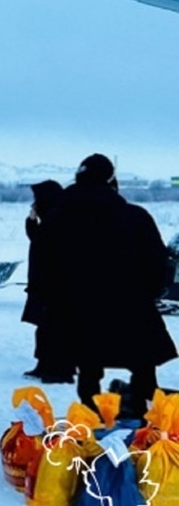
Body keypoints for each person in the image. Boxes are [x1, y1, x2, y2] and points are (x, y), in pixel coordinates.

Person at [47, 153, 176, 422]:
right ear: (111, 180)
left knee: (88, 368)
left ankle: (91, 420)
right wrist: (149, 293)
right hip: (131, 307)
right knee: (143, 365)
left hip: (77, 310)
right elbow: (157, 263)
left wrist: (55, 303)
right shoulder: (135, 217)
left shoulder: (58, 219)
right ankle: (142, 421)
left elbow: (44, 266)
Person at [21, 179, 72, 383]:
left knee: (53, 327)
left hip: (53, 284)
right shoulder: (52, 218)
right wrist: (31, 221)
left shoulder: (56, 219)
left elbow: (45, 247)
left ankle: (58, 369)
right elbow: (38, 240)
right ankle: (44, 364)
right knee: (44, 327)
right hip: (46, 283)